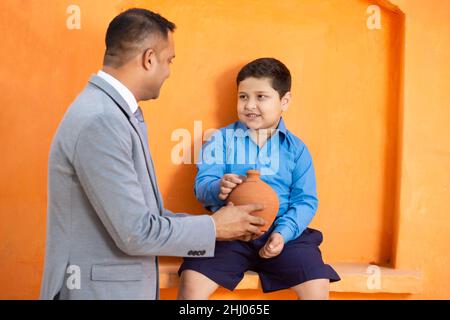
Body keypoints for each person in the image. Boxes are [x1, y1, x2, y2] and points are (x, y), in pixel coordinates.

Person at [40, 8, 266, 300]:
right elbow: (137, 232)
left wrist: (224, 224)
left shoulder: (116, 113)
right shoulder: (101, 121)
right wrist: (214, 227)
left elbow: (146, 217)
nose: (170, 70)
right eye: (169, 60)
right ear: (149, 59)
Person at [178, 58, 341, 300]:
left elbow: (305, 200)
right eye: (243, 97)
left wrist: (283, 233)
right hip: (229, 232)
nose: (249, 105)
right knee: (192, 281)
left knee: (317, 284)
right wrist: (218, 188)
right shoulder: (220, 140)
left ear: (284, 101)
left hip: (283, 234)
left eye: (261, 97)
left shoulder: (296, 149)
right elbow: (202, 187)